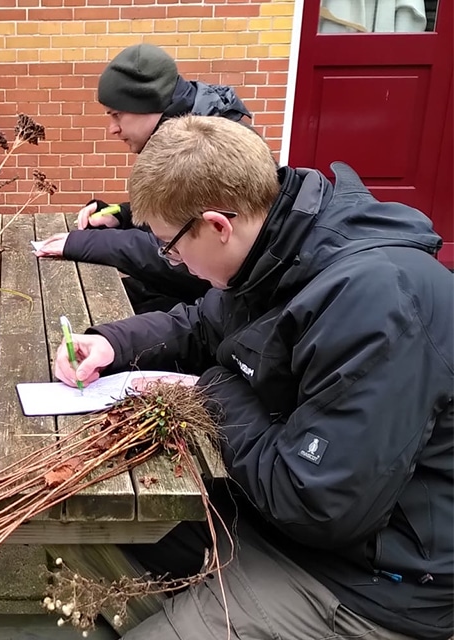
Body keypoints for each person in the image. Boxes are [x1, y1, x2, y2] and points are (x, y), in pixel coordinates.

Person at [54, 116, 452, 639]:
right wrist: (113, 343)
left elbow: (316, 503)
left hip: (372, 581)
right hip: (276, 519)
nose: (173, 262)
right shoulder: (280, 248)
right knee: (93, 525)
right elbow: (204, 324)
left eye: (170, 246)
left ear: (217, 226)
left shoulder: (375, 305)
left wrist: (212, 388)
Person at [34, 43, 250, 313]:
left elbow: (185, 257)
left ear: (149, 103)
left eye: (117, 115)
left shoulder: (208, 147)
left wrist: (88, 244)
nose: (112, 129)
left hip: (215, 308)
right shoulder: (181, 134)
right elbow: (176, 215)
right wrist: (122, 215)